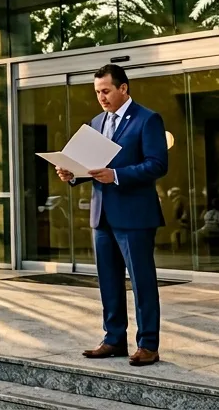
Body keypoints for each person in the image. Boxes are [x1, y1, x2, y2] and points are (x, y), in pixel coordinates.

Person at [55, 64, 168, 367]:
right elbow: (90, 165)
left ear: (123, 89)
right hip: (101, 215)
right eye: (97, 92)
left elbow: (157, 164)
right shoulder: (96, 122)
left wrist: (117, 175)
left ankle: (148, 345)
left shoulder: (147, 120)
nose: (101, 97)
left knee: (142, 282)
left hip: (135, 216)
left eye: (105, 91)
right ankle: (114, 339)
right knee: (108, 281)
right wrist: (72, 174)